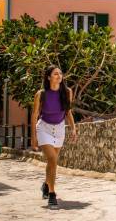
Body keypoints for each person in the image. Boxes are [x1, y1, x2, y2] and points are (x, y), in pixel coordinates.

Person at [31, 65, 77, 208]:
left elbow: (68, 112)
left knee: (52, 163)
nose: (59, 76)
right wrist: (33, 137)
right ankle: (52, 194)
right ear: (49, 77)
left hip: (59, 129)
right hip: (44, 128)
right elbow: (34, 115)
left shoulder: (67, 92)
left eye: (60, 74)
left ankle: (46, 185)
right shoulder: (41, 94)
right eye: (55, 74)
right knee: (52, 159)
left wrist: (73, 128)